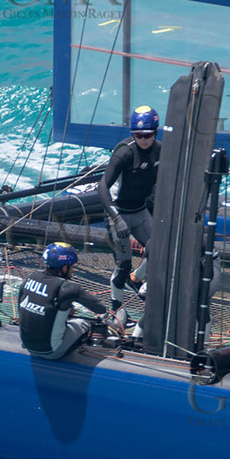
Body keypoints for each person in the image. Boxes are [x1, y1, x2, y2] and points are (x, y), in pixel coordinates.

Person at [100, 105, 160, 310]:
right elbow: (102, 187)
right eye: (138, 135)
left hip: (140, 211)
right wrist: (116, 219)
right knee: (123, 265)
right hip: (118, 214)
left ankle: (138, 279)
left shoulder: (159, 150)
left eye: (148, 135)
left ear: (155, 132)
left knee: (159, 250)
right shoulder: (125, 153)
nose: (143, 139)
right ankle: (116, 309)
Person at [18, 242, 113, 359]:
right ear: (64, 267)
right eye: (72, 266)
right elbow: (101, 308)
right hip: (52, 351)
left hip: (28, 347)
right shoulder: (68, 288)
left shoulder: (28, 279)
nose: (72, 270)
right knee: (82, 323)